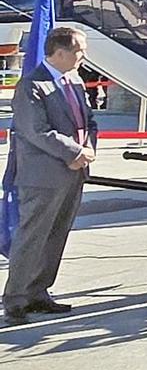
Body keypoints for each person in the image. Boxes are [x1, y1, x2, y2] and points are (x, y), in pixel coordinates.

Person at [3, 27, 96, 325]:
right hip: (42, 175)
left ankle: (39, 292)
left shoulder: (75, 80)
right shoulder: (32, 86)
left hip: (74, 172)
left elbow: (89, 121)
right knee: (32, 237)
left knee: (56, 235)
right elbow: (36, 130)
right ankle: (16, 299)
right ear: (60, 52)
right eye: (79, 51)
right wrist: (74, 152)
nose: (84, 56)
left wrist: (88, 150)